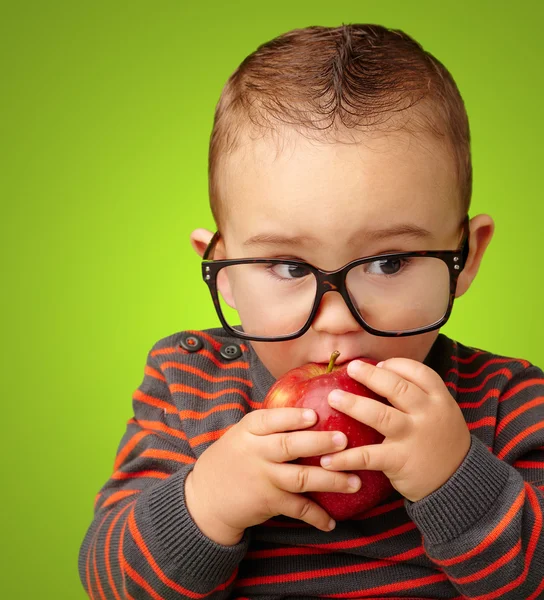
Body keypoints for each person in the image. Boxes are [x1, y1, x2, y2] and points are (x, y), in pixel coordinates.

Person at [78, 23, 544, 599]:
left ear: (465, 256)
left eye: (389, 263)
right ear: (221, 270)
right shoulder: (187, 385)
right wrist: (207, 501)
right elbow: (108, 582)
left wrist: (458, 480)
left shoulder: (510, 401)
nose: (336, 318)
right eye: (291, 268)